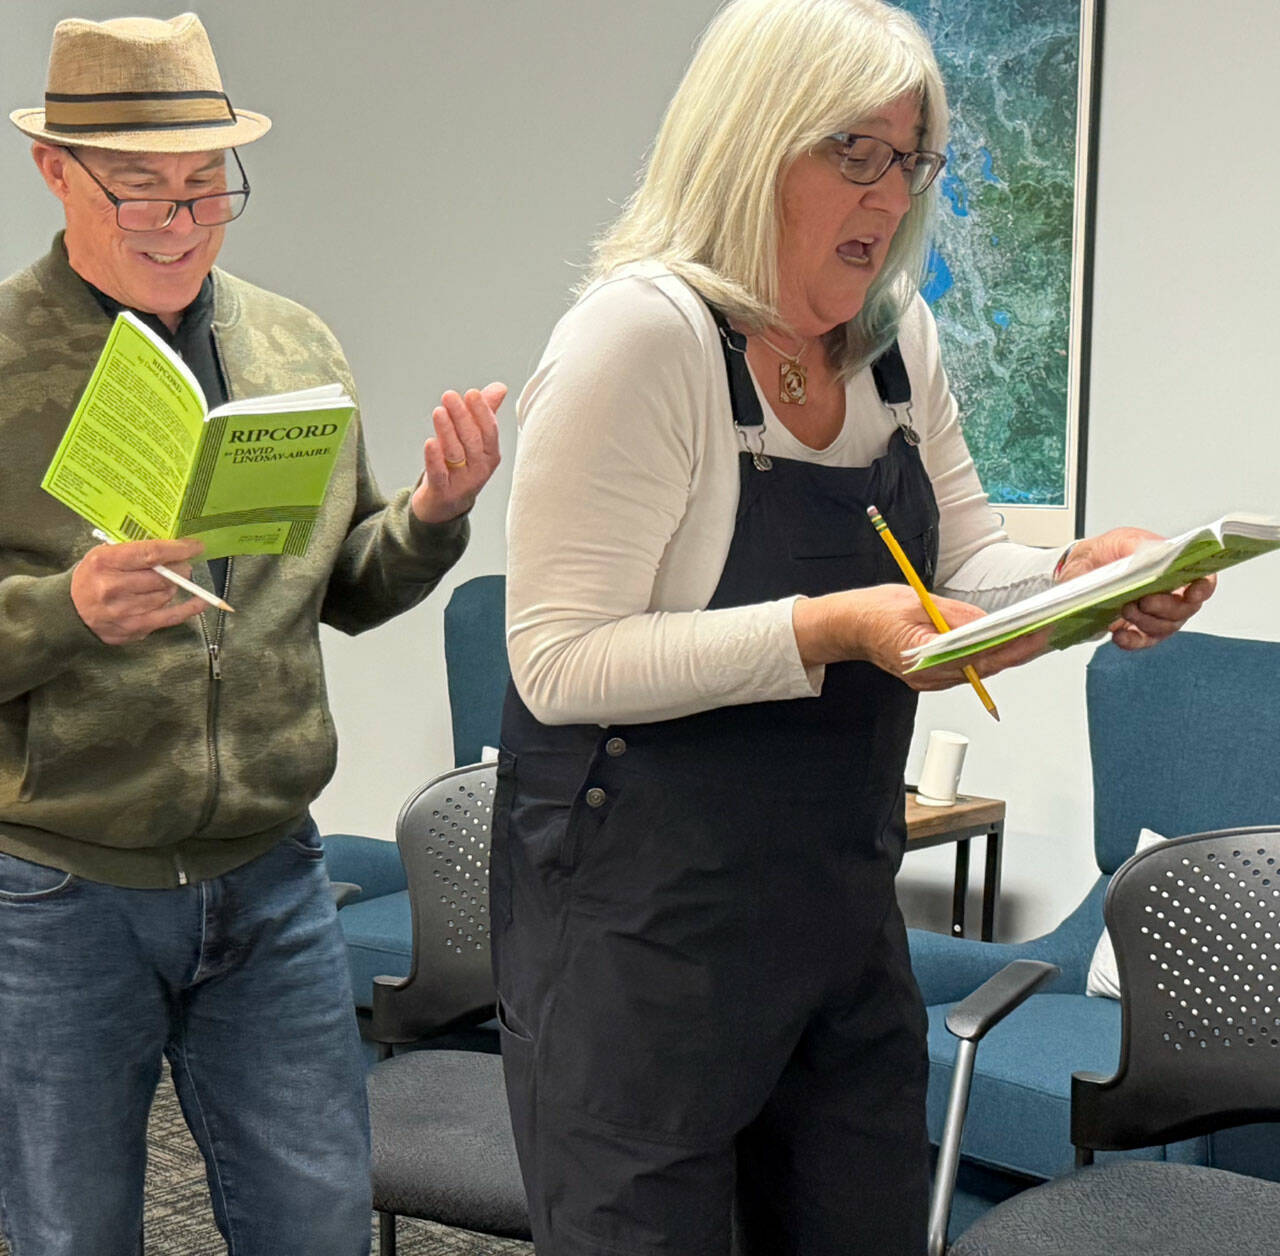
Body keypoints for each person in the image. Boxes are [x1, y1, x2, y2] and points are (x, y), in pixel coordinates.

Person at [492, 1, 1213, 1252]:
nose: (888, 193)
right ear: (749, 143)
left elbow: (965, 564)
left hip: (833, 907)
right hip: (639, 930)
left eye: (911, 158)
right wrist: (824, 626)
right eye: (853, 151)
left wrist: (1076, 576)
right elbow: (556, 661)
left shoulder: (894, 343)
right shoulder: (640, 338)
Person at [0, 14, 502, 1256]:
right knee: (71, 1235)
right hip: (62, 890)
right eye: (142, 194)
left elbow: (345, 589)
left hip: (274, 875)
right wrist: (69, 610)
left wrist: (434, 515)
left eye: (205, 188)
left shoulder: (294, 346)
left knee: (317, 1225)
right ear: (55, 171)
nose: (182, 224)